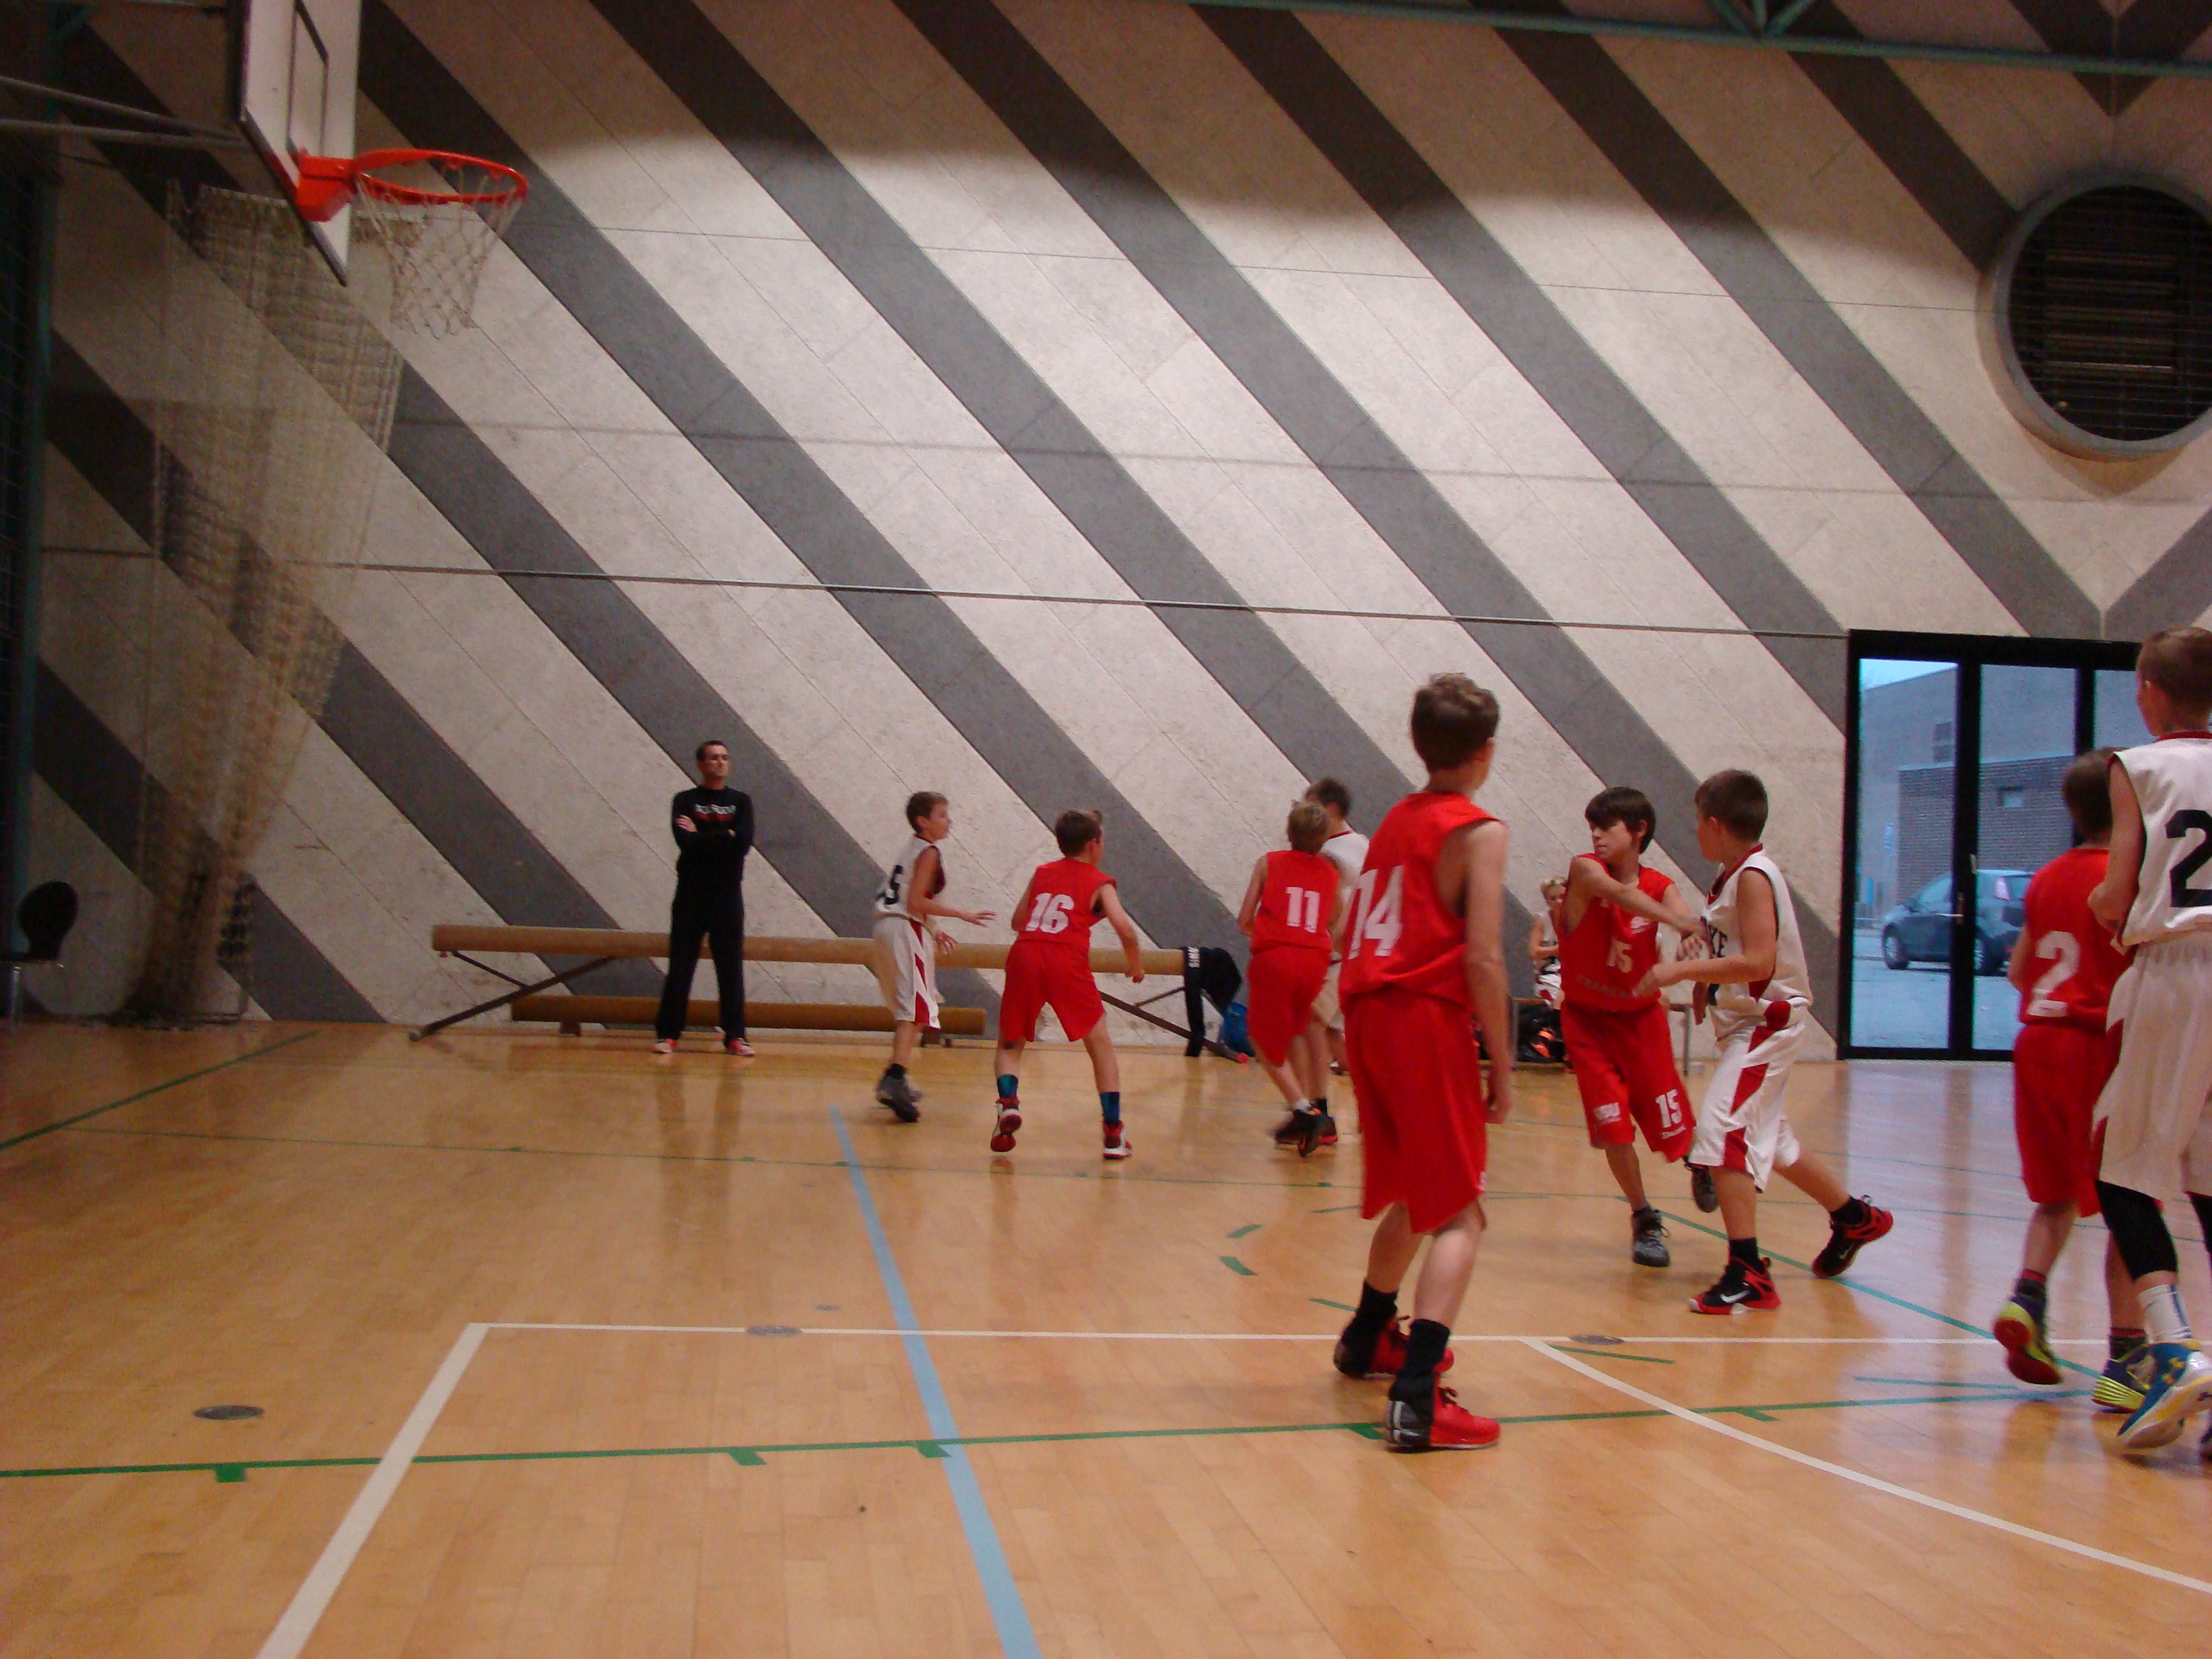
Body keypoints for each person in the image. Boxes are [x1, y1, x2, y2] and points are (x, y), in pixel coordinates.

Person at [1327, 674, 1513, 1452]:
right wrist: (1503, 1062)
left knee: (1414, 1186)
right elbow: (1484, 959)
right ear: (1486, 752)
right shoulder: (1479, 832)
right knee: (1463, 1211)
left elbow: (1350, 933)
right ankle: (1417, 1397)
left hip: (1367, 1012)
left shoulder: (1392, 824)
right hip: (1420, 1017)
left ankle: (1369, 1334)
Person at [1636, 771, 1891, 1314]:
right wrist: (1705, 980)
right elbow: (1735, 949)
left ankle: (1748, 1271)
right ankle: (1855, 1218)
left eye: (1697, 821)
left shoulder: (1754, 876)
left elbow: (1758, 961)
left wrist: (1679, 973)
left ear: (1715, 824)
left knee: (1723, 1133)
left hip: (1767, 1026)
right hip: (1746, 1024)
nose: (1695, 831)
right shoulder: (1730, 875)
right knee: (1769, 1141)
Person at [2085, 626, 2212, 1456]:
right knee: (2211, 1179)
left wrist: (2101, 908)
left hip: (2178, 971)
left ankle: (2171, 1351)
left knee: (2124, 1173)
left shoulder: (2137, 767)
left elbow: (2118, 891)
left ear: (2151, 692)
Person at [1990, 753, 2144, 1400]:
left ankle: (2028, 1295)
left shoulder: (2048, 876)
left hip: (2038, 1041)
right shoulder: (2127, 880)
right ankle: (2127, 1360)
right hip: (2097, 1044)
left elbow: (2018, 972)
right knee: (2133, 1202)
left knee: (2055, 1197)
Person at [1557, 787, 1716, 1269]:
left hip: (1641, 1020)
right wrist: (1684, 926)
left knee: (1669, 1120)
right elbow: (1624, 896)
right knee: (1614, 1127)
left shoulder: (1661, 884)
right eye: (1592, 826)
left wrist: (1690, 939)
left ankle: (1700, 1161)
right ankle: (1644, 1216)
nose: (1596, 835)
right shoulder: (1585, 870)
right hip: (1588, 1022)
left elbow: (1684, 917)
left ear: (1639, 830)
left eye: (1606, 826)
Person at [991, 810, 1147, 1160]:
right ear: (1094, 845)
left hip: (1025, 954)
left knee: (1010, 1043)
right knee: (1099, 1045)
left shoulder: (1042, 873)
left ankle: (1009, 1102)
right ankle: (1113, 1134)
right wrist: (1136, 964)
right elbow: (1125, 928)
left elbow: (1018, 921)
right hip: (1066, 959)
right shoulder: (1100, 882)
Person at [871, 792, 994, 1123]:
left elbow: (907, 896)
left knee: (916, 1007)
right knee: (916, 1008)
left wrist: (935, 930)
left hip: (891, 928)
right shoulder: (929, 851)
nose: (948, 821)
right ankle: (894, 1078)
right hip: (904, 927)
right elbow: (915, 902)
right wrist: (963, 914)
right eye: (942, 815)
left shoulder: (911, 847)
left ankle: (898, 1075)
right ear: (923, 822)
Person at [1237, 802, 1340, 1157]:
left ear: (1289, 831)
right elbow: (1333, 917)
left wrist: (1265, 934)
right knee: (1296, 1030)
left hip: (1277, 957)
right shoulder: (1330, 873)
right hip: (1315, 960)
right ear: (1323, 837)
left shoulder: (1269, 863)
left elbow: (1244, 918)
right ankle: (1309, 1109)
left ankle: (1304, 1111)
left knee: (1261, 1038)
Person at [653, 741, 753, 1056]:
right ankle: (668, 1035)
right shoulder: (685, 800)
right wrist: (724, 836)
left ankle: (735, 1036)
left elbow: (743, 844)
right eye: (713, 758)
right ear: (700, 764)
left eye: (724, 757)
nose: (720, 762)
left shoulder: (741, 801)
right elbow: (686, 843)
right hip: (691, 894)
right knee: (681, 965)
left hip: (727, 894)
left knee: (730, 967)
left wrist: (701, 834)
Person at [1302, 777, 1368, 1097]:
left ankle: (1314, 1105)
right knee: (1333, 1034)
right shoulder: (1363, 843)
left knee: (1312, 1023)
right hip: (1359, 949)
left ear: (1330, 809)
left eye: (1311, 805)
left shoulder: (1327, 854)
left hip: (1340, 953)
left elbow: (1329, 909)